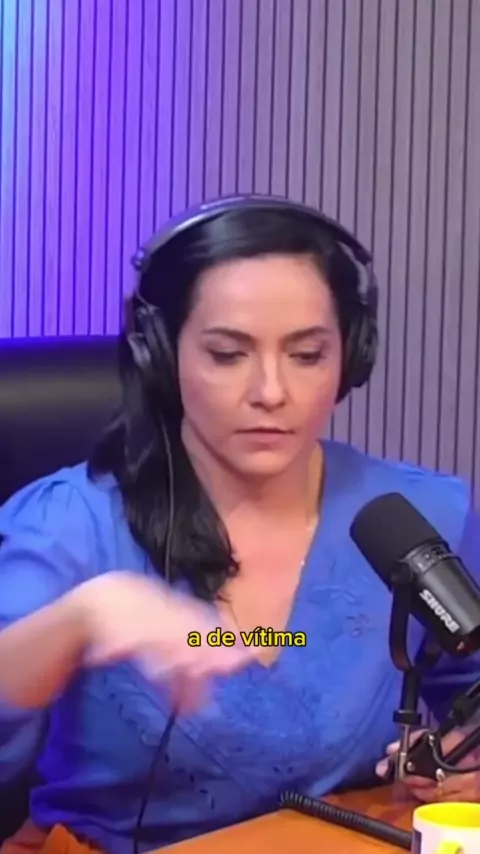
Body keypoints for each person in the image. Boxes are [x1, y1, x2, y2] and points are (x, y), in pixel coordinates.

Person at [0, 196, 479, 854]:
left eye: (306, 355)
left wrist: (463, 762)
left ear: (352, 357)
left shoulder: (419, 514)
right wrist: (76, 620)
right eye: (228, 354)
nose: (271, 392)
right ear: (160, 355)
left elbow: (470, 694)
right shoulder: (66, 524)